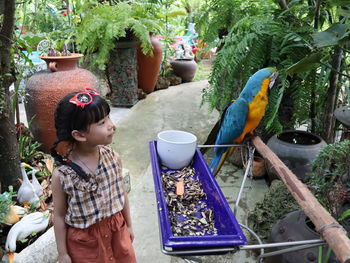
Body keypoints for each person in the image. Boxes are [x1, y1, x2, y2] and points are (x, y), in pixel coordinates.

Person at [51, 88, 136, 263]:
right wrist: (63, 253)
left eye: (108, 118)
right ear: (79, 135)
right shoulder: (62, 175)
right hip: (85, 247)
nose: (111, 125)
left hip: (117, 234)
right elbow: (59, 216)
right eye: (102, 122)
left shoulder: (113, 158)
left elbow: (121, 193)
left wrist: (128, 225)